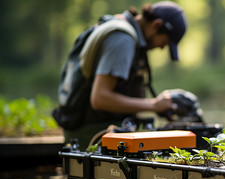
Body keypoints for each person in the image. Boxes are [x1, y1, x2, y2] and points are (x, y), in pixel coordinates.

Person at [53, 1, 187, 149]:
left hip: (93, 126)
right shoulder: (122, 39)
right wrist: (154, 105)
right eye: (165, 42)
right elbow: (100, 98)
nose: (162, 48)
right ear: (156, 25)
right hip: (91, 132)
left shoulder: (121, 25)